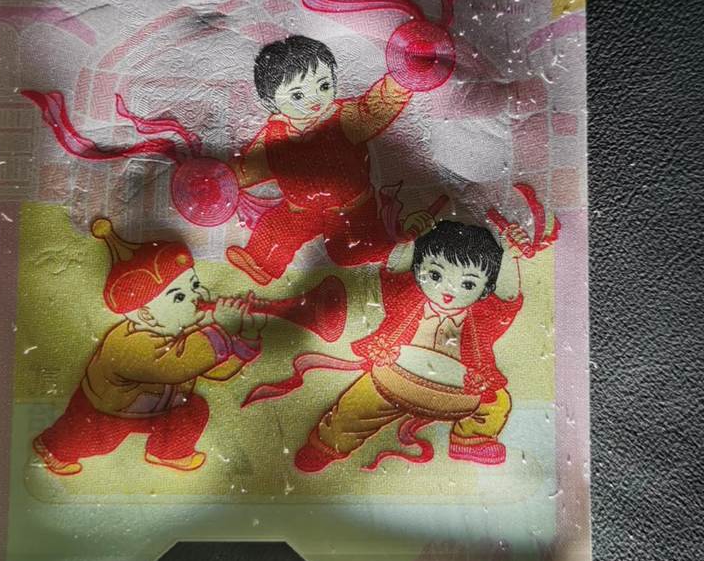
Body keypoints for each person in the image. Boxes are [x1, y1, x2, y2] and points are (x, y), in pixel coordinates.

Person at [32, 218, 264, 476]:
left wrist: (244, 341)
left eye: (195, 285)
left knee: (193, 410)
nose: (197, 297)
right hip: (109, 410)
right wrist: (221, 330)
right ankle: (54, 448)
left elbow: (212, 369)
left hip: (161, 408)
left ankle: (168, 451)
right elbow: (177, 366)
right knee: (94, 438)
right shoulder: (128, 343)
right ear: (146, 315)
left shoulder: (186, 333)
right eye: (180, 296)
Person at [294, 218, 523, 472]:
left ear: (485, 290)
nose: (448, 290)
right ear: (418, 268)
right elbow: (394, 272)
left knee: (496, 402)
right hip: (392, 378)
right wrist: (409, 239)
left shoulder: (481, 320)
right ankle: (329, 444)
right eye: (435, 275)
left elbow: (508, 299)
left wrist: (509, 256)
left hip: (459, 394)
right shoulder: (408, 300)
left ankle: (471, 440)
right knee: (356, 407)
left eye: (468, 284)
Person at [225, 34, 411, 285]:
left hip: (350, 208)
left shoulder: (342, 118)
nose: (314, 100)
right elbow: (252, 165)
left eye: (323, 86)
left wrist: (400, 82)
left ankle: (389, 250)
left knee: (345, 251)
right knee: (274, 226)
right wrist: (226, 180)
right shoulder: (274, 136)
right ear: (270, 102)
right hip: (300, 210)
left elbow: (374, 109)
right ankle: (262, 264)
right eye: (297, 96)